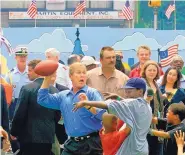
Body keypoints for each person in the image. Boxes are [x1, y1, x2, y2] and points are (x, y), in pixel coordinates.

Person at [37, 62, 105, 155]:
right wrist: (47, 78)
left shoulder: (92, 93)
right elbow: (42, 99)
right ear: (70, 76)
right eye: (78, 72)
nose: (82, 75)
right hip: (71, 144)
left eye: (84, 73)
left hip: (92, 144)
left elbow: (103, 116)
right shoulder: (63, 96)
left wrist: (88, 105)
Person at [73, 78, 152, 155]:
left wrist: (86, 102)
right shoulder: (147, 106)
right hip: (143, 149)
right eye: (126, 92)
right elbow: (131, 105)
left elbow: (107, 105)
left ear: (140, 91)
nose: (127, 95)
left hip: (130, 151)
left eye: (129, 92)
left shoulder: (106, 134)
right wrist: (118, 97)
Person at [10, 60, 59, 155]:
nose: (27, 73)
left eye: (30, 70)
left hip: (28, 137)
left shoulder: (27, 89)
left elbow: (20, 113)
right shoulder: (54, 90)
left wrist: (14, 131)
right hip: (47, 137)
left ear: (37, 71)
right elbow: (57, 115)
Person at [141, 60, 164, 155]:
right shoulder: (141, 84)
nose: (152, 72)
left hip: (157, 123)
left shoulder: (156, 84)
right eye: (149, 70)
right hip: (144, 124)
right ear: (144, 71)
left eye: (154, 70)